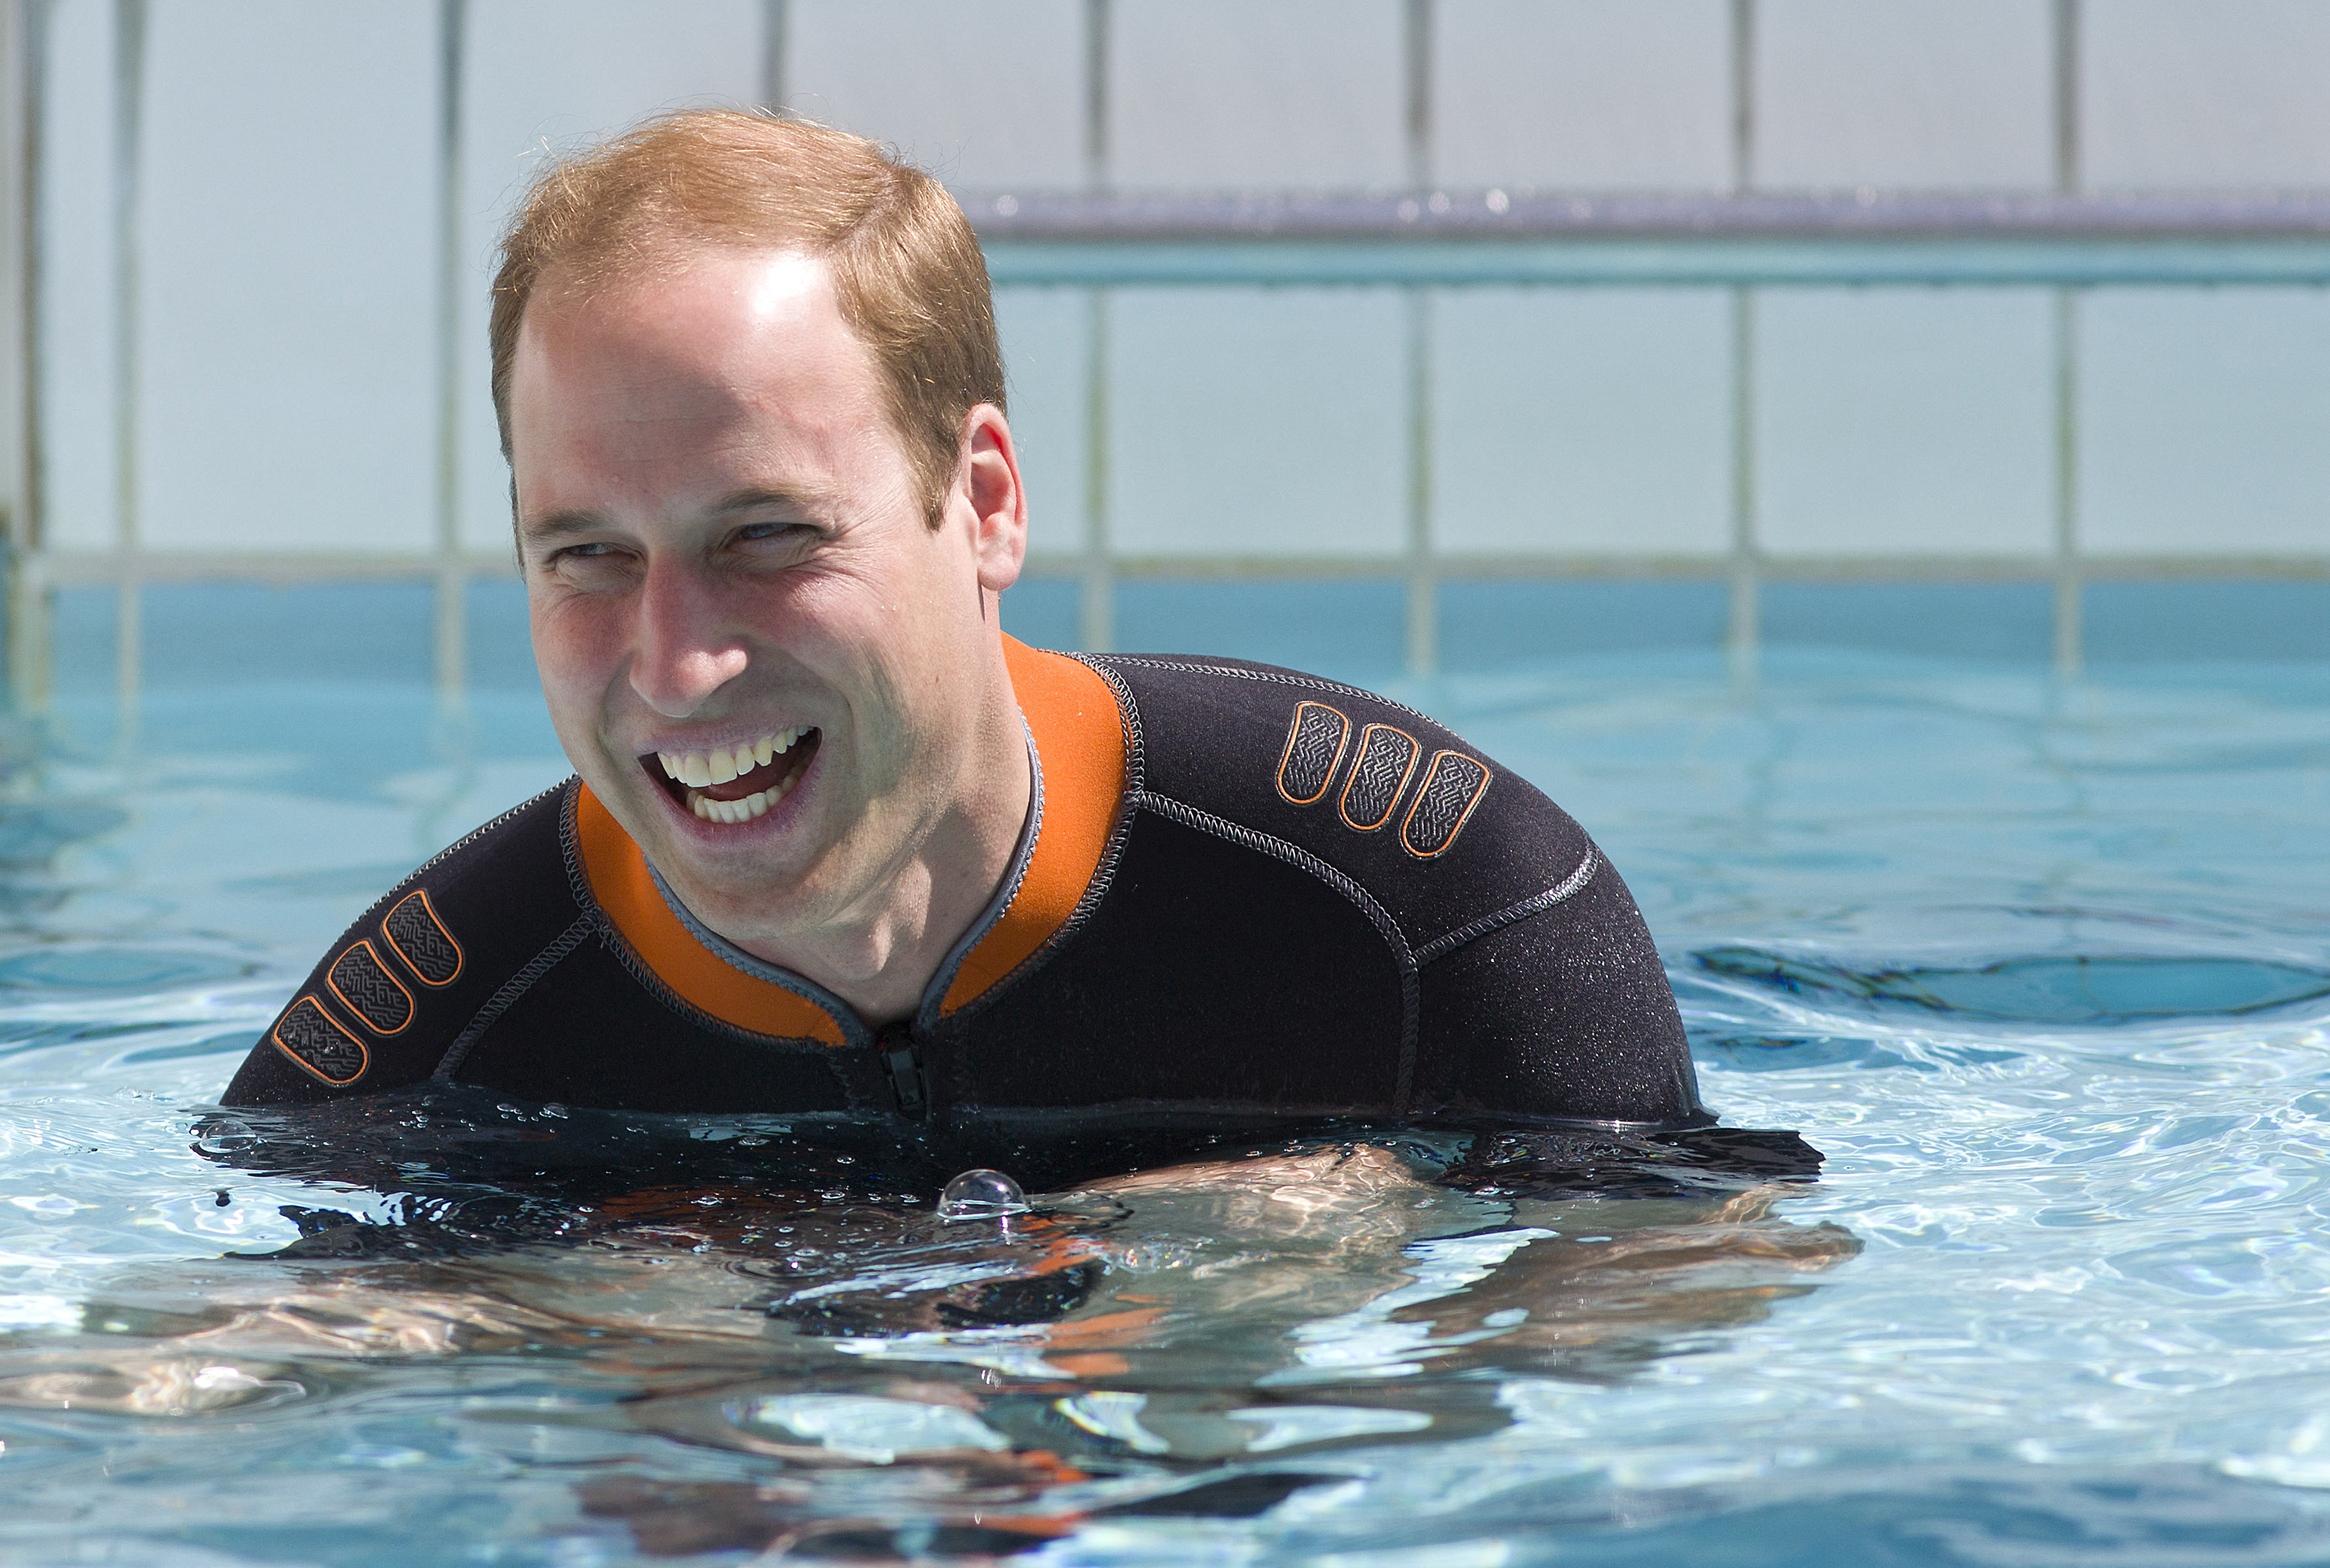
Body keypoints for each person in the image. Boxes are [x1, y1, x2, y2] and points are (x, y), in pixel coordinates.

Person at [221, 109, 1706, 1137]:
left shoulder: (1423, 911)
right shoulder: (424, 1046)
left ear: (982, 500)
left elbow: (1672, 1352)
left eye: (768, 534)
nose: (674, 664)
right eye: (589, 556)